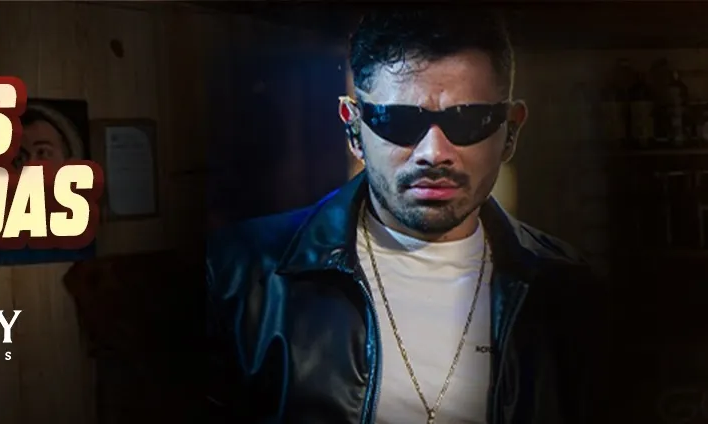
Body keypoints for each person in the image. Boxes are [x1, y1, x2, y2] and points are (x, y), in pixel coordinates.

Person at [204, 9, 595, 424]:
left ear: (511, 131)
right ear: (354, 128)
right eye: (400, 121)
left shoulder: (566, 288)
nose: (434, 153)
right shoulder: (239, 275)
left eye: (468, 121)